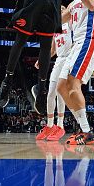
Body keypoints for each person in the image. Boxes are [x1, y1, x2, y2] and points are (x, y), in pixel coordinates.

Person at [57, 0, 94, 145]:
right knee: (61, 87)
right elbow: (59, 21)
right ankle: (84, 129)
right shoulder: (72, 4)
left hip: (88, 41)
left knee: (73, 84)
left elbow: (92, 6)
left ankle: (86, 132)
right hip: (76, 45)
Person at [35, 8, 71, 141]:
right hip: (59, 59)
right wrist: (42, 60)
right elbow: (53, 50)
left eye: (63, 8)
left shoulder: (71, 23)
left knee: (61, 91)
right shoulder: (55, 28)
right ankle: (50, 125)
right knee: (51, 93)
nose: (60, 10)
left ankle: (60, 125)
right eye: (59, 9)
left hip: (69, 59)